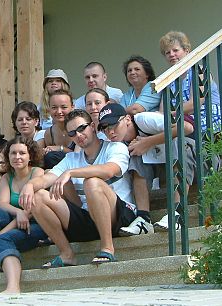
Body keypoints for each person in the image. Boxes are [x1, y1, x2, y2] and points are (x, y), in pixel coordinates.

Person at [19, 109, 136, 267]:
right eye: (73, 133)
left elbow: (109, 171)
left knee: (92, 182)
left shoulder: (115, 147)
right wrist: (29, 186)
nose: (79, 135)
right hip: (88, 218)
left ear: (93, 126)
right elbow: (47, 179)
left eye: (82, 128)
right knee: (38, 196)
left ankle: (108, 248)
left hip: (119, 215)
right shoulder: (71, 158)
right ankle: (67, 254)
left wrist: (71, 172)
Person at [98, 103, 195, 235]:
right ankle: (143, 218)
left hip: (197, 160)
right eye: (105, 128)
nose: (110, 131)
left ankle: (177, 213)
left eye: (114, 124)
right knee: (135, 156)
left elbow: (187, 128)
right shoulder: (116, 145)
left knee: (181, 144)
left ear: (127, 119)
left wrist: (147, 142)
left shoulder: (143, 119)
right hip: (163, 167)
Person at [0, 136, 46, 293]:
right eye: (13, 153)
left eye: (22, 153)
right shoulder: (7, 177)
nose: (17, 157)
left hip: (36, 224)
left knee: (4, 239)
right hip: (17, 220)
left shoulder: (37, 173)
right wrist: (19, 212)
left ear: (30, 156)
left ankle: (13, 287)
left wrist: (0, 235)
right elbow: (3, 204)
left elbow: (33, 208)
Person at [159, 31, 221, 133]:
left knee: (172, 127)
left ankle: (146, 143)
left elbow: (194, 105)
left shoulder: (199, 72)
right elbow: (162, 109)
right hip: (180, 121)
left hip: (206, 119)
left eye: (175, 50)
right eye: (167, 52)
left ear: (186, 51)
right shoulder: (169, 81)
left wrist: (168, 114)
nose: (171, 54)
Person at [0, 102, 44, 183]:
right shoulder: (16, 141)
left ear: (36, 121)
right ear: (15, 123)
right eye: (20, 120)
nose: (24, 122)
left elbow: (30, 161)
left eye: (28, 119)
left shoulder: (41, 136)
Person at [40, 89, 75, 169]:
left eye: (64, 107)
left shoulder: (79, 129)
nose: (59, 111)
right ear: (49, 109)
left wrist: (60, 148)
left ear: (72, 107)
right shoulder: (49, 133)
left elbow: (83, 156)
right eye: (54, 107)